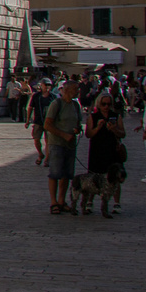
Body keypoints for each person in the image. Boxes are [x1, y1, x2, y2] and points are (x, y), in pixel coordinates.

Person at [42, 79, 83, 214]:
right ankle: (53, 202)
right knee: (55, 173)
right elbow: (47, 125)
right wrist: (64, 135)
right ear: (66, 90)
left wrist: (77, 129)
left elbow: (77, 122)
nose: (78, 91)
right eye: (75, 89)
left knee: (67, 174)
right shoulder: (56, 104)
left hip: (70, 144)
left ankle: (61, 200)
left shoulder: (76, 105)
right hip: (57, 143)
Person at [85, 91, 126, 216]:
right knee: (94, 176)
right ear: (99, 104)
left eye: (108, 104)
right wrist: (98, 127)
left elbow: (123, 134)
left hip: (112, 149)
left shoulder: (116, 116)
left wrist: (114, 129)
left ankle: (116, 203)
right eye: (103, 104)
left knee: (114, 177)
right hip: (97, 149)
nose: (106, 107)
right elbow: (88, 134)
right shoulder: (93, 117)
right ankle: (89, 202)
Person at [27, 78, 53, 165]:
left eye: (49, 85)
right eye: (46, 85)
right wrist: (27, 121)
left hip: (50, 122)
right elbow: (30, 108)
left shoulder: (53, 97)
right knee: (36, 139)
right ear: (41, 85)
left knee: (48, 141)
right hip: (38, 121)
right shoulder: (36, 96)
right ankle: (41, 154)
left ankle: (47, 159)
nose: (47, 87)